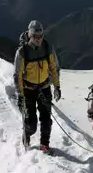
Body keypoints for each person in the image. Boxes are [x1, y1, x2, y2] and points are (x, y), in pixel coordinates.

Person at [15, 20, 62, 154]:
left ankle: (44, 144)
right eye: (36, 37)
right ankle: (27, 133)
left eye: (41, 36)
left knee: (46, 118)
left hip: (44, 87)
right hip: (28, 90)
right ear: (30, 36)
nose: (39, 39)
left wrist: (57, 87)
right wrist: (20, 95)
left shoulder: (47, 48)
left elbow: (54, 68)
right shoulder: (22, 52)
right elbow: (17, 75)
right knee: (32, 123)